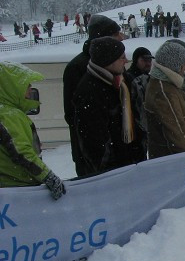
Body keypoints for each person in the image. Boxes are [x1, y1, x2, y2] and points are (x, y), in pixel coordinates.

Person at [62, 14, 124, 176]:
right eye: (116, 34)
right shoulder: (77, 68)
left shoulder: (116, 65)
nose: (121, 38)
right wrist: (101, 154)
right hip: (94, 158)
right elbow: (74, 115)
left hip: (116, 153)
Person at [72, 37, 144, 175]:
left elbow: (137, 121)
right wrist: (111, 171)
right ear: (107, 60)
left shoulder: (124, 81)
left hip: (131, 164)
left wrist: (137, 154)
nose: (126, 61)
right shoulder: (89, 92)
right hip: (112, 173)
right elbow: (94, 144)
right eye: (121, 58)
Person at [0, 62, 65, 199]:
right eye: (27, 85)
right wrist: (47, 176)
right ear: (11, 88)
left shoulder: (9, 112)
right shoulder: (8, 115)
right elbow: (22, 152)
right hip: (17, 188)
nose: (30, 90)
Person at [144, 39, 185, 158]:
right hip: (171, 160)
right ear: (175, 65)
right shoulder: (164, 92)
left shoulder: (170, 84)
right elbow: (177, 134)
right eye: (184, 63)